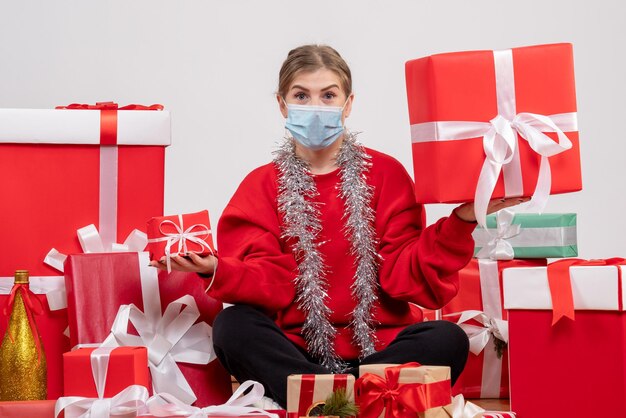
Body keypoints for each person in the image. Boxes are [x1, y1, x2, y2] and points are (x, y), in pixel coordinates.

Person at [151, 44, 527, 407]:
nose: (315, 107)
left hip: (381, 349)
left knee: (448, 338)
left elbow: (405, 275)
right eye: (301, 95)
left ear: (349, 104)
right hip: (298, 353)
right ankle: (360, 395)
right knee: (233, 326)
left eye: (328, 96)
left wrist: (462, 220)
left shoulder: (387, 175)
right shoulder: (261, 185)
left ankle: (331, 398)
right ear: (282, 104)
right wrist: (220, 268)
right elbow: (270, 282)